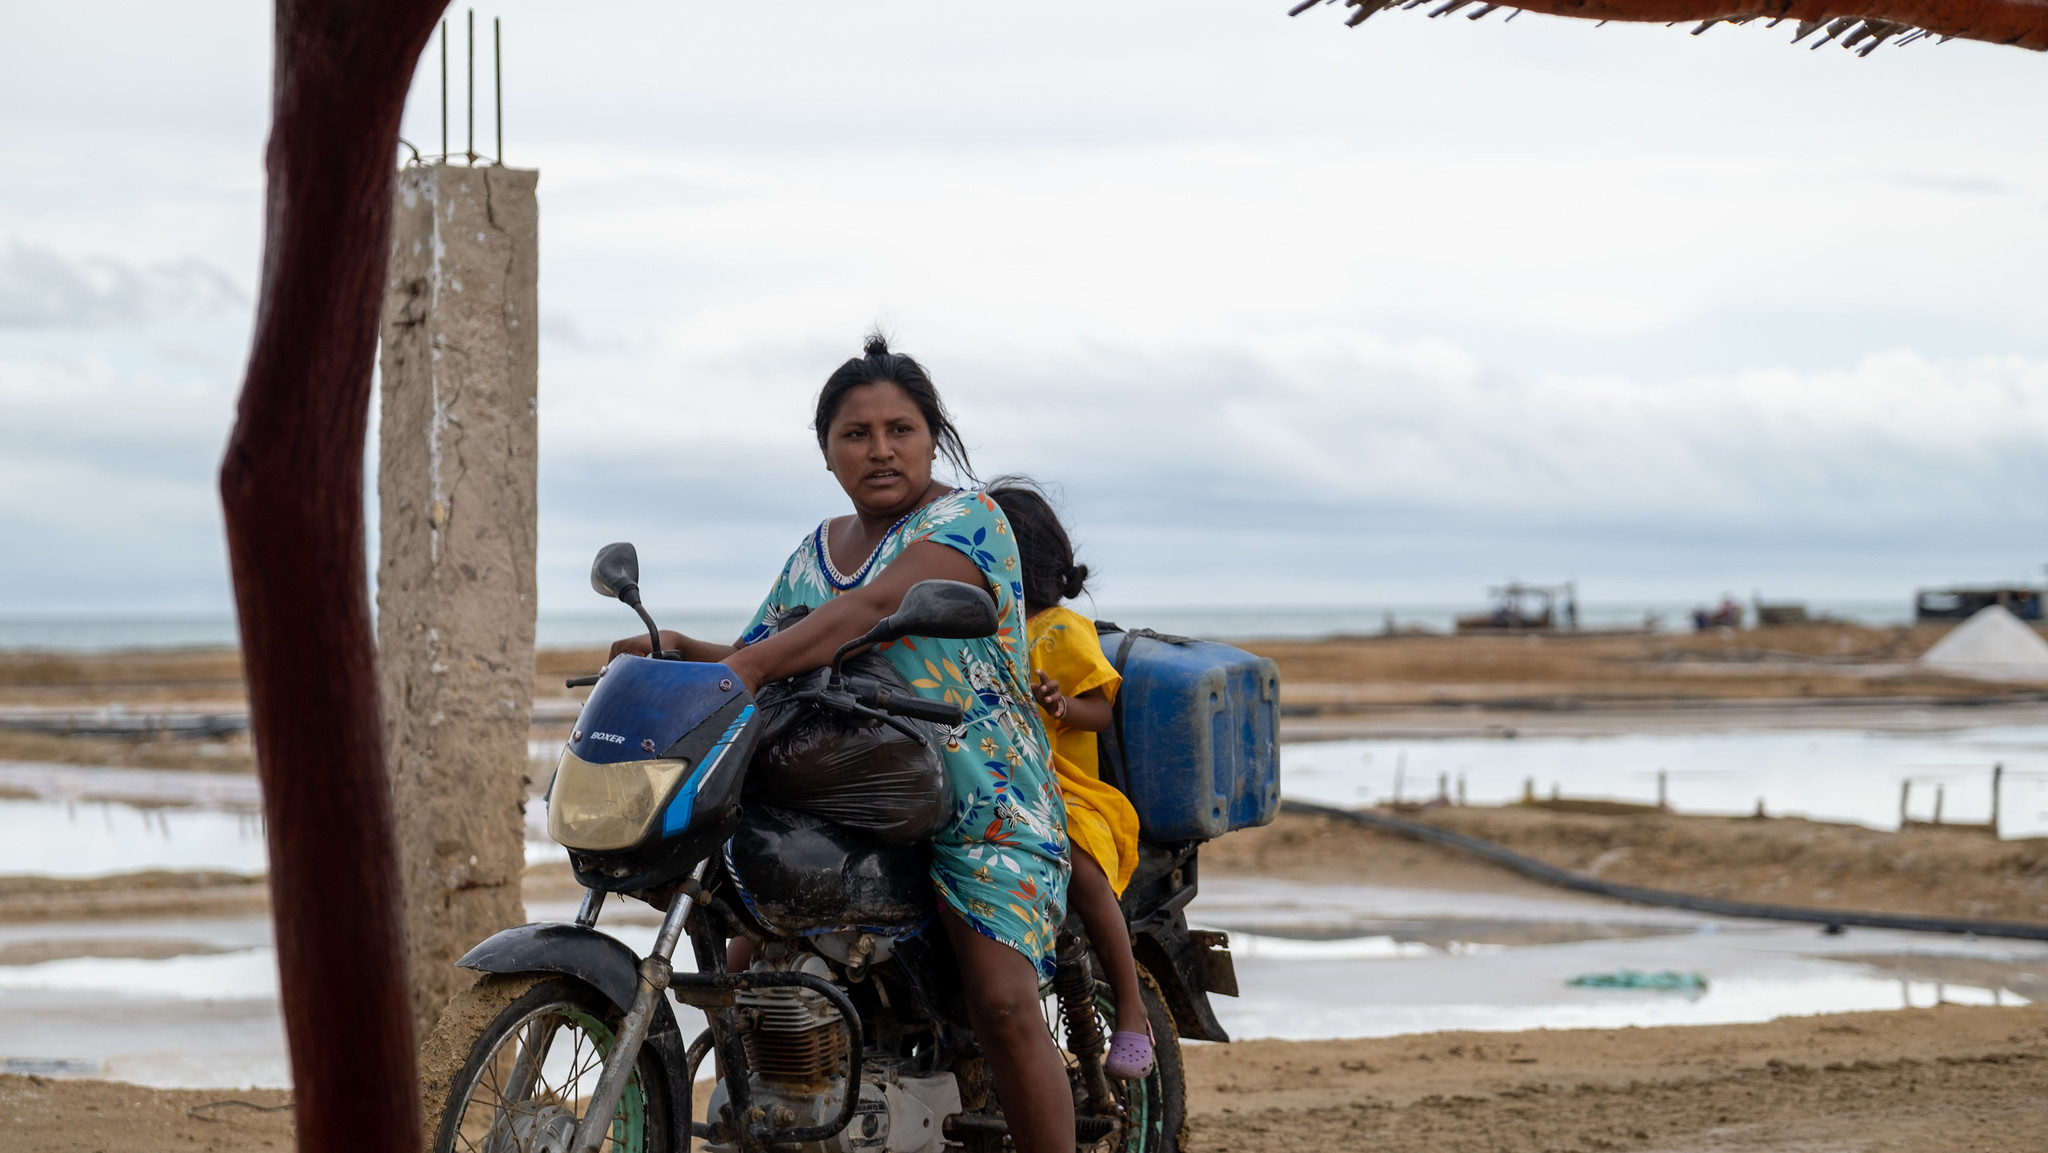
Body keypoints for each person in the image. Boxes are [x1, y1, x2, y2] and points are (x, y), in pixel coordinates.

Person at [608, 335, 1075, 1151]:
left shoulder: (967, 520)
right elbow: (773, 650)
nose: (880, 448)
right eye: (855, 433)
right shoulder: (815, 551)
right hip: (855, 792)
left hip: (979, 797)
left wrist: (746, 664)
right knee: (749, 960)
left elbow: (863, 614)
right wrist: (680, 651)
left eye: (901, 428)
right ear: (827, 452)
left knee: (1002, 1003)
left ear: (934, 436)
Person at [986, 477, 1154, 1081]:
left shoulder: (1060, 630)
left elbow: (1100, 709)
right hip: (990, 783)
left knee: (1079, 869)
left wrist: (1059, 705)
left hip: (1061, 791)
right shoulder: (979, 631)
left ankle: (1133, 1009)